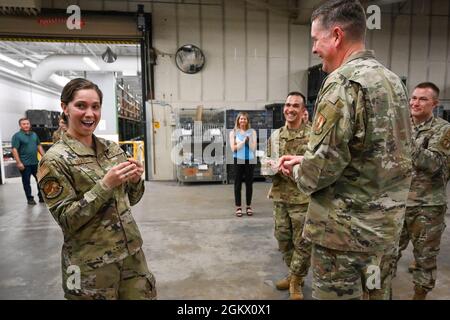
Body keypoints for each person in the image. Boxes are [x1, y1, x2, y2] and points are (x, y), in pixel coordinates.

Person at [278, 0, 412, 300]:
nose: (314, 48)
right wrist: (308, 156)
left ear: (336, 35)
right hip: (384, 234)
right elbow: (384, 152)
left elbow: (319, 172)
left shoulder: (342, 82)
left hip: (343, 238)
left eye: (316, 39)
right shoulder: (393, 82)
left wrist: (298, 168)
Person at [37, 78, 156, 300]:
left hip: (131, 255)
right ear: (65, 107)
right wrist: (105, 185)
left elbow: (132, 198)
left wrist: (136, 180)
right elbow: (67, 219)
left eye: (95, 106)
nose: (89, 114)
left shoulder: (111, 150)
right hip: (90, 265)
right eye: (81, 106)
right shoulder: (54, 160)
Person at [392, 82, 450, 299]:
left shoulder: (443, 129)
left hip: (427, 206)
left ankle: (419, 296)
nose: (415, 103)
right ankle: (378, 291)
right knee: (385, 255)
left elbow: (435, 163)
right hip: (397, 203)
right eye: (413, 98)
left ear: (434, 104)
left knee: (424, 260)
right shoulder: (403, 125)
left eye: (422, 99)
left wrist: (405, 141)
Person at [261, 91, 311, 300]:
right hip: (281, 197)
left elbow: (317, 169)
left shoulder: (313, 136)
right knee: (282, 239)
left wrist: (295, 170)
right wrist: (271, 167)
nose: (290, 109)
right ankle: (293, 274)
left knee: (302, 243)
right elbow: (264, 165)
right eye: (288, 105)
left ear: (303, 111)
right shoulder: (276, 136)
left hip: (303, 199)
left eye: (295, 106)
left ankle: (296, 281)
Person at [11, 117, 45, 205]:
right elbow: (14, 150)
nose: (26, 125)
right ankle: (30, 198)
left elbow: (39, 146)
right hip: (24, 164)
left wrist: (45, 157)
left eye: (27, 124)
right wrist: (18, 162)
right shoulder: (17, 136)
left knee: (40, 180)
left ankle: (41, 197)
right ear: (20, 125)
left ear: (30, 124)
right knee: (27, 182)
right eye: (24, 124)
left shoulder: (34, 135)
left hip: (35, 163)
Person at [229, 112, 257, 217]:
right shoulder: (233, 133)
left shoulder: (252, 132)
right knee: (237, 184)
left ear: (247, 121)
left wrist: (248, 141)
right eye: (241, 119)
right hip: (238, 160)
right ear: (238, 120)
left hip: (249, 160)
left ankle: (248, 206)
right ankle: (238, 207)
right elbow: (233, 148)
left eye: (245, 119)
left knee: (249, 184)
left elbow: (253, 148)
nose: (243, 121)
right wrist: (243, 141)